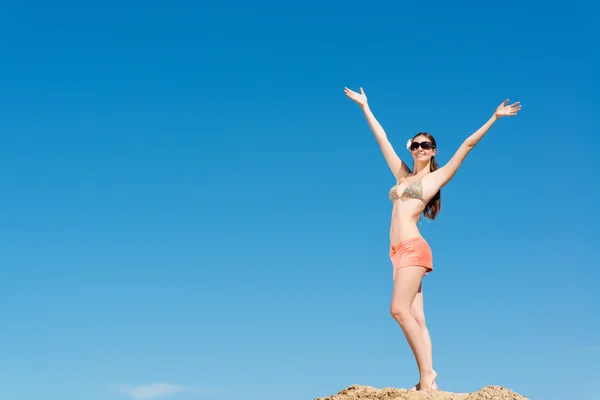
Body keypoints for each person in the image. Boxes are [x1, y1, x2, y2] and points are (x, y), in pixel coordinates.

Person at [344, 86, 521, 392]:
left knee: (398, 310)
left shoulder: (434, 179)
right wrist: (365, 107)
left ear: (434, 150)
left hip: (414, 249)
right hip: (396, 253)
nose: (420, 149)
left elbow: (466, 145)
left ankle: (428, 374)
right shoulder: (402, 176)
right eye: (415, 145)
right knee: (417, 317)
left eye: (426, 145)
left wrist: (494, 117)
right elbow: (383, 140)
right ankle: (429, 382)